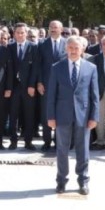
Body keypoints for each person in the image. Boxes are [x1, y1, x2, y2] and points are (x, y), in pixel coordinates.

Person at [46, 36, 98, 195]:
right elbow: (51, 94)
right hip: (62, 115)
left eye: (77, 48)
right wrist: (51, 116)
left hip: (84, 115)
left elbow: (94, 95)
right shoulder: (57, 67)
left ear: (82, 49)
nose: (74, 51)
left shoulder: (91, 68)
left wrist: (94, 117)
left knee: (83, 149)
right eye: (71, 48)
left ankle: (83, 181)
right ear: (66, 49)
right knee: (62, 149)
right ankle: (61, 181)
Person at [7, 23, 39, 151]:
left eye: (22, 32)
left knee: (29, 115)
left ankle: (28, 141)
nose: (20, 35)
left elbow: (35, 68)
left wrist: (32, 85)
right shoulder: (9, 47)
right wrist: (8, 87)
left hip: (28, 87)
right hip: (14, 87)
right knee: (13, 115)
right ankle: (13, 141)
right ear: (14, 34)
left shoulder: (33, 47)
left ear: (26, 34)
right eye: (17, 33)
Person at [37, 20, 67, 151]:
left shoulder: (68, 44)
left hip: (63, 85)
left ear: (61, 29)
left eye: (55, 27)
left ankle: (58, 141)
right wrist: (39, 82)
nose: (53, 29)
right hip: (46, 84)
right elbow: (38, 65)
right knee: (46, 113)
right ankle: (47, 141)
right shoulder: (42, 44)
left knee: (61, 113)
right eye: (51, 27)